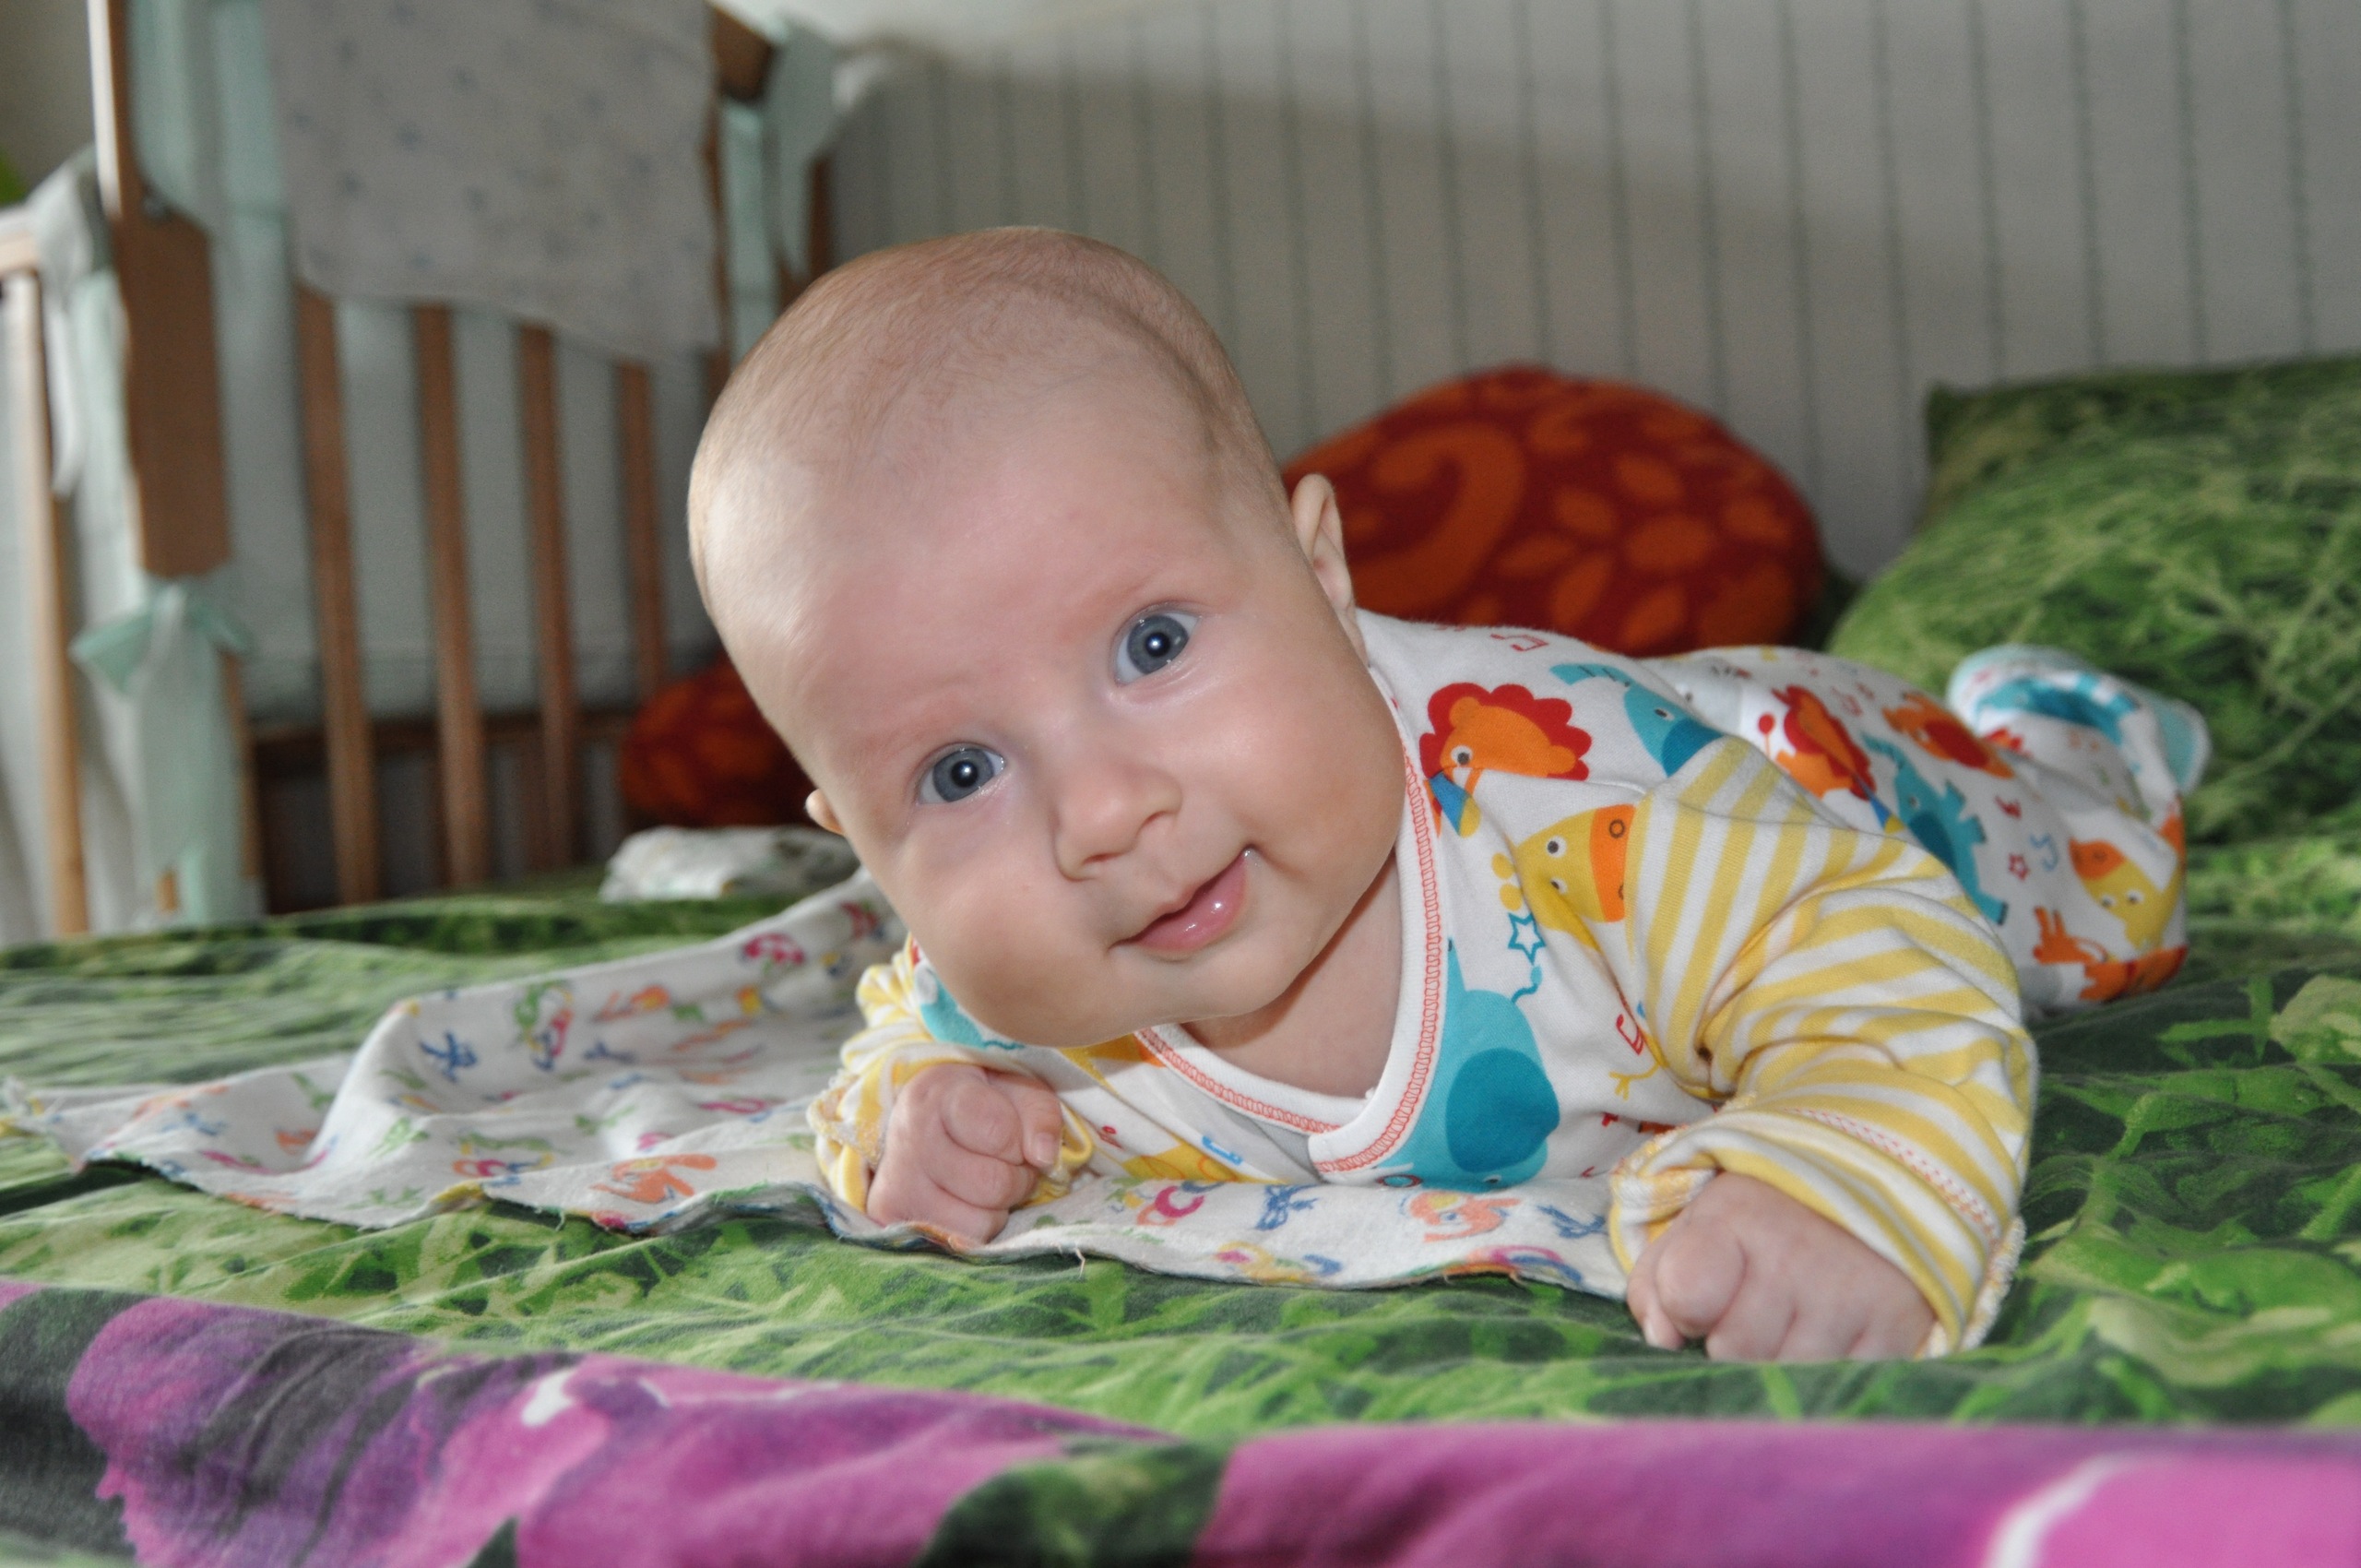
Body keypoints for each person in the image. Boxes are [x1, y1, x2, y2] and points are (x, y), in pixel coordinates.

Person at [687, 228, 2202, 1362]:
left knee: (2089, 890)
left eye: (1152, 646)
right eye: (960, 773)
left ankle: (2060, 722)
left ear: (1325, 578)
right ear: (866, 850)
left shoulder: (1603, 819)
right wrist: (928, 1114)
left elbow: (1882, 945)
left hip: (1810, 770)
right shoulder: (1019, 972)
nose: (1099, 813)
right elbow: (909, 1030)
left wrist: (1850, 1182)